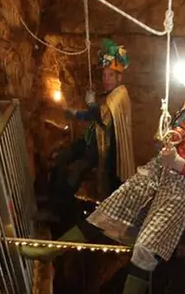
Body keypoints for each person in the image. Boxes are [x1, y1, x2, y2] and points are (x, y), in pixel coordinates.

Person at [23, 39, 185, 294]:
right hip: (159, 170)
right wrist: (169, 140)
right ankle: (53, 250)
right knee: (110, 209)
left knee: (146, 246)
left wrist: (180, 164)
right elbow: (178, 138)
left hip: (181, 187)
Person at [40, 38, 136, 222]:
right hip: (90, 139)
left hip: (102, 148)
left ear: (119, 77)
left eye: (110, 76)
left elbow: (101, 117)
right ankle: (53, 199)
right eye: (104, 75)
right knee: (62, 156)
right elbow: (96, 115)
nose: (106, 80)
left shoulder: (120, 95)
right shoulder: (110, 94)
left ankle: (60, 209)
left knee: (75, 170)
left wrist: (90, 103)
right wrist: (76, 114)